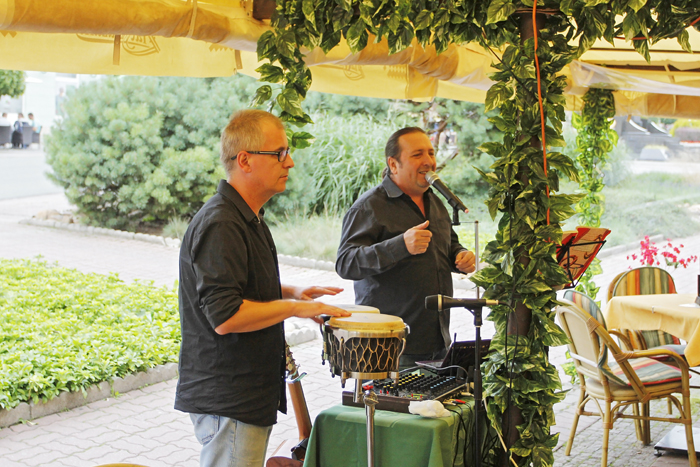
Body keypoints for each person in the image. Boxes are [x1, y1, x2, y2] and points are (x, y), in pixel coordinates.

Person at [175, 109, 350, 467]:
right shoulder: (222, 222)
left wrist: (292, 292)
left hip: (245, 396)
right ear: (245, 160)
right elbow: (226, 316)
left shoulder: (245, 216)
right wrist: (296, 309)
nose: (290, 162)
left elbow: (237, 283)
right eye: (279, 153)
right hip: (230, 398)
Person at [336, 127, 476, 368]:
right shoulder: (369, 207)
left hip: (437, 340)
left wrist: (460, 255)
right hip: (390, 348)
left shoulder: (435, 200)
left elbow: (448, 243)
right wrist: (400, 245)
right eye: (417, 154)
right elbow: (346, 263)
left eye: (431, 153)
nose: (428, 161)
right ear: (393, 164)